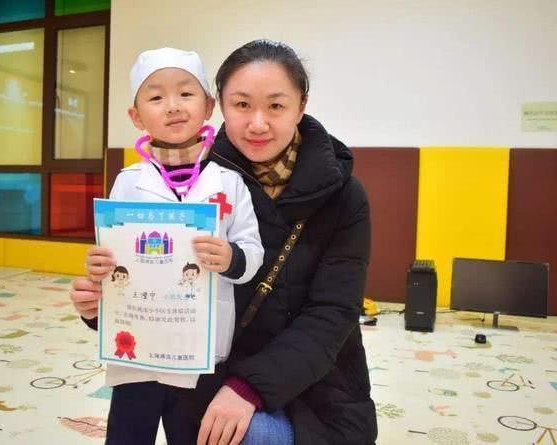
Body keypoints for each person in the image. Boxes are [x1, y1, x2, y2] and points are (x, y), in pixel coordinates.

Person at [71, 39, 378, 445]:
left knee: (249, 434)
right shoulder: (186, 179)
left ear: (301, 107)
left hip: (315, 381)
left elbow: (332, 314)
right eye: (242, 104)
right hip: (210, 363)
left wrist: (249, 388)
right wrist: (99, 303)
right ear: (221, 107)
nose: (257, 123)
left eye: (276, 105)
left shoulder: (340, 195)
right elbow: (146, 271)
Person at [76, 47, 264, 445]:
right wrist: (96, 271)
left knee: (192, 437)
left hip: (202, 349)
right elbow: (112, 262)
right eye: (156, 96)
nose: (173, 106)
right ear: (136, 116)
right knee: (128, 435)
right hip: (137, 350)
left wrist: (231, 258)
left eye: (186, 93)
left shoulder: (229, 182)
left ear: (209, 105)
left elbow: (253, 252)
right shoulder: (128, 181)